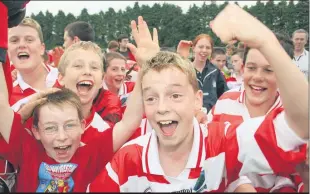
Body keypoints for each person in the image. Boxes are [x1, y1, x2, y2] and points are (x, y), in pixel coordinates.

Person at [89, 5, 308, 192]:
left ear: (197, 100)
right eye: (152, 98)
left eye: (175, 95)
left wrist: (265, 41)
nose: (162, 107)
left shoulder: (221, 142)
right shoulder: (128, 160)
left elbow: (301, 125)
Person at [0, 25, 144, 192]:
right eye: (78, 66)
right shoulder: (29, 141)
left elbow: (129, 123)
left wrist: (146, 65)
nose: (61, 137)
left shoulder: (95, 145)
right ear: (36, 130)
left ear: (82, 126)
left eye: (94, 67)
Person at [207, 4, 308, 192]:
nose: (258, 77)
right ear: (243, 68)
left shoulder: (293, 113)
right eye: (252, 68)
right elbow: (209, 160)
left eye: (269, 70)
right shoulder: (225, 102)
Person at [177, 35, 228, 113]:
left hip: (212, 118)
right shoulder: (185, 70)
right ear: (193, 48)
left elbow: (225, 96)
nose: (204, 50)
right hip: (191, 117)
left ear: (211, 50)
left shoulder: (215, 72)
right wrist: (180, 58)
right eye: (200, 47)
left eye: (208, 48)